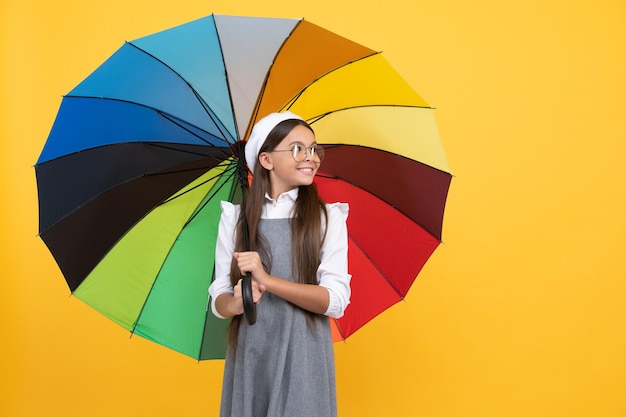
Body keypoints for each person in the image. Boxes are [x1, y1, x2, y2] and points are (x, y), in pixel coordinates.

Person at [209, 111, 351, 417]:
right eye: (298, 148)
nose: (311, 157)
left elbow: (335, 301)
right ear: (266, 160)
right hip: (252, 354)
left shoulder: (327, 219)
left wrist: (267, 280)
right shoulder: (236, 220)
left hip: (305, 356)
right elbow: (218, 298)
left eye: (314, 149)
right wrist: (235, 301)